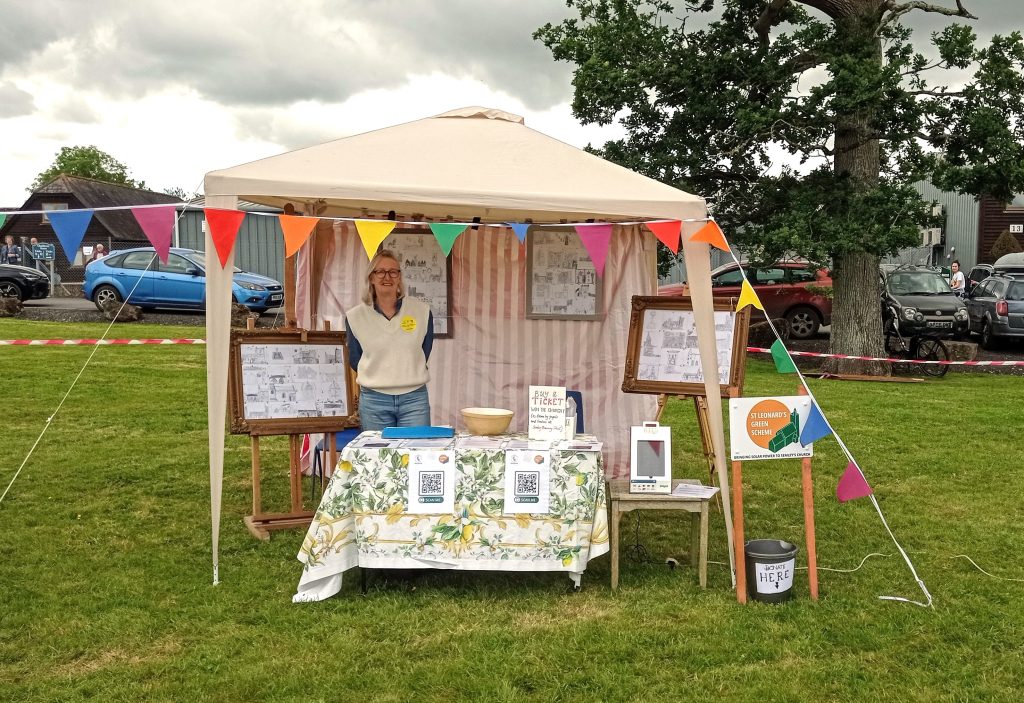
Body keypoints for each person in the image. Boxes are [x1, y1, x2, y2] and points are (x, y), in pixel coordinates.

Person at [345, 249, 434, 431]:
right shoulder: (355, 316)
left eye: (393, 272)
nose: (387, 277)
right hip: (374, 400)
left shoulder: (422, 312)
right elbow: (355, 358)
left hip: (414, 399)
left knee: (416, 448)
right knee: (378, 450)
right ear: (371, 277)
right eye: (380, 272)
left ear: (399, 277)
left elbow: (424, 351)